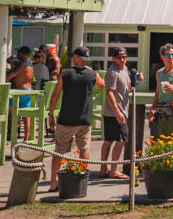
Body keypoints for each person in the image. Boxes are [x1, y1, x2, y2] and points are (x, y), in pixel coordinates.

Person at [47, 46, 103, 192]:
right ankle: (81, 180)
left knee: (58, 151)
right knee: (84, 149)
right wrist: (92, 72)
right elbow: (102, 86)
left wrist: (50, 114)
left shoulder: (65, 73)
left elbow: (56, 94)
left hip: (66, 119)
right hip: (84, 119)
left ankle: (53, 182)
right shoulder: (92, 75)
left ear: (74, 57)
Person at [100, 47, 131, 179]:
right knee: (121, 139)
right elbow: (109, 93)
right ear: (113, 58)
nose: (122, 59)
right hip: (114, 112)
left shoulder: (124, 69)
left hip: (120, 111)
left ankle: (104, 169)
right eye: (119, 57)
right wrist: (117, 112)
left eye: (124, 57)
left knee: (110, 140)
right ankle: (113, 170)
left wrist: (137, 79)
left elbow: (127, 87)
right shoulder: (112, 72)